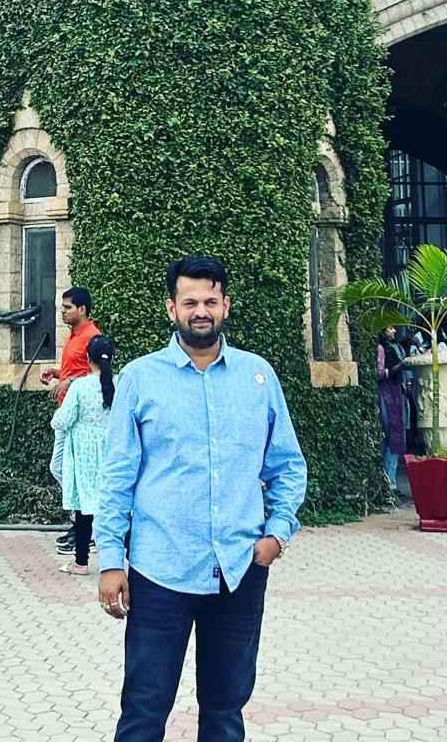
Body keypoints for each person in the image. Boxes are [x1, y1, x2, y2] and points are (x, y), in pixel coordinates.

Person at [97, 254, 307, 742]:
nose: (201, 311)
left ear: (226, 305)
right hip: (160, 571)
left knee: (225, 710)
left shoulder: (257, 377)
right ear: (171, 308)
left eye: (210, 301)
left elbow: (287, 465)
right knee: (144, 710)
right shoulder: (141, 379)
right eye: (190, 302)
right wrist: (110, 560)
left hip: (238, 569)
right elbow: (117, 476)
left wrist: (277, 534)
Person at [51, 334, 116, 575]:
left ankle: (81, 562)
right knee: (114, 506)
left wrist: (57, 421)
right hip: (113, 450)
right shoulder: (120, 384)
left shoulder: (80, 386)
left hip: (84, 453)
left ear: (88, 359)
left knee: (84, 507)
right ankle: (127, 563)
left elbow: (63, 420)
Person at [43, 287, 101, 555]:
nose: (62, 312)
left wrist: (69, 381)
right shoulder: (73, 335)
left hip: (79, 416)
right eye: (62, 308)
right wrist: (57, 373)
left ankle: (86, 528)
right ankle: (82, 524)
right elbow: (77, 370)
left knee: (67, 470)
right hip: (67, 411)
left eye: (67, 308)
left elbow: (98, 374)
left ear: (82, 309)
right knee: (62, 469)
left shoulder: (92, 336)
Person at [377, 326, 408, 490]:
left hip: (395, 392)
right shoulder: (381, 348)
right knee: (390, 435)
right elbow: (379, 372)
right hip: (387, 394)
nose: (394, 331)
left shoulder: (395, 347)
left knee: (395, 436)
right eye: (390, 328)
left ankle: (390, 479)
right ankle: (389, 480)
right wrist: (397, 368)